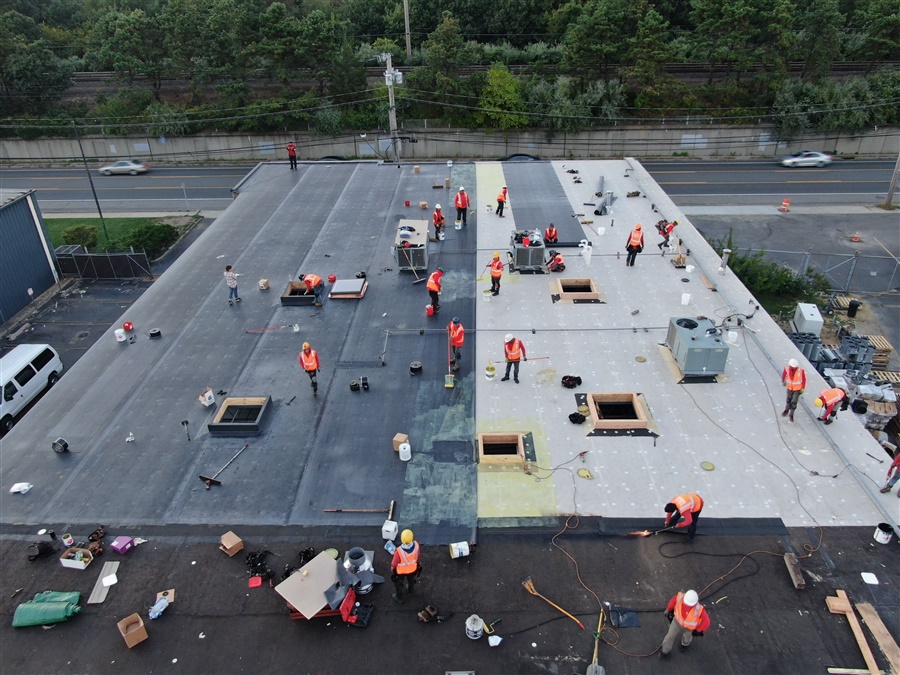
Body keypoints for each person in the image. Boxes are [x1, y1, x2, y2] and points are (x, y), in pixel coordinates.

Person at [661, 589, 710, 657]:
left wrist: (698, 630)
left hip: (690, 627)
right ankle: (665, 651)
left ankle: (685, 644)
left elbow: (706, 621)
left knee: (687, 636)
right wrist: (668, 609)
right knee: (670, 636)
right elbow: (673, 601)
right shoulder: (680, 598)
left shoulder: (699, 609)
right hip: (677, 621)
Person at [391, 529, 420, 604]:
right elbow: (418, 556)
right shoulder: (416, 545)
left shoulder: (399, 551)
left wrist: (392, 569)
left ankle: (399, 597)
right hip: (412, 569)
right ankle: (411, 591)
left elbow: (394, 563)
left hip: (401, 572)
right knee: (411, 580)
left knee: (399, 584)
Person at [781, 358, 806, 422]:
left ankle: (791, 414)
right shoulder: (787, 369)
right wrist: (783, 380)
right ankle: (786, 410)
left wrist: (803, 387)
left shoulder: (801, 371)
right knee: (788, 399)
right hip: (789, 388)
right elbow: (784, 375)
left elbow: (804, 379)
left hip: (797, 389)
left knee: (794, 402)